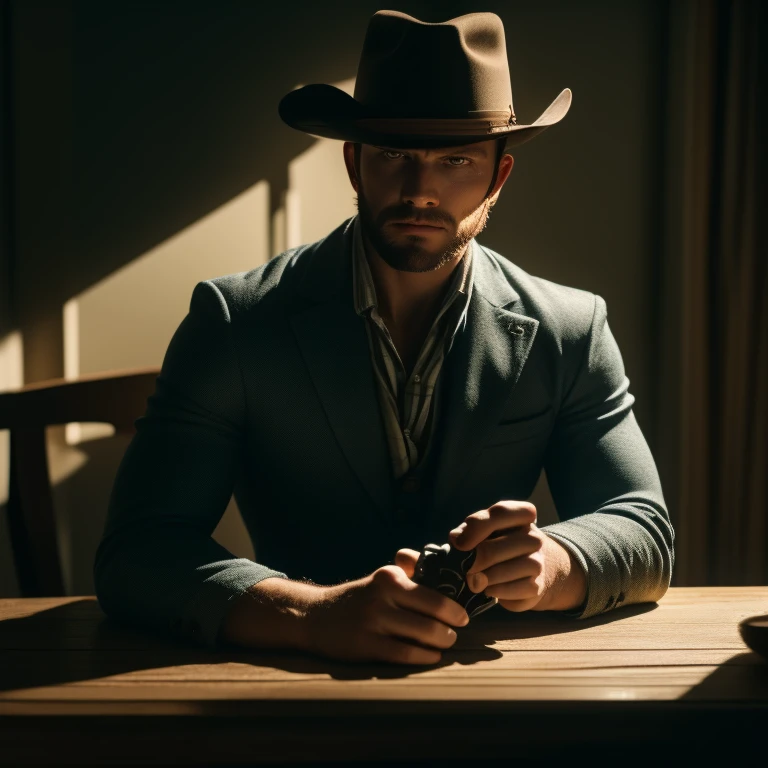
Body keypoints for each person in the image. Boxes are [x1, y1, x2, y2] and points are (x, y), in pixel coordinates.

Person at [94, 10, 674, 666]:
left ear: (498, 176)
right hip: (286, 691)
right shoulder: (235, 321)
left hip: (493, 696)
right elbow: (138, 550)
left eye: (455, 158)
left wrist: (552, 565)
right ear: (354, 162)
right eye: (395, 153)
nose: (420, 190)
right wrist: (310, 615)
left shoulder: (570, 329)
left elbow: (643, 529)